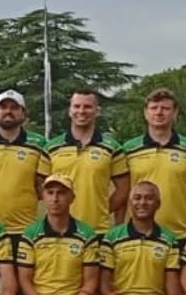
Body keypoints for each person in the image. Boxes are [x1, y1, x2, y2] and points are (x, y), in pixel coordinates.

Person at [122, 89, 186, 238]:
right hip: (137, 234)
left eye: (165, 108)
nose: (159, 113)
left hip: (180, 234)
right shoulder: (129, 149)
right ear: (146, 113)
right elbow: (123, 190)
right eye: (154, 108)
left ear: (175, 113)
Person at [46, 89, 129, 232]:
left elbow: (123, 189)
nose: (82, 111)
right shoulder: (51, 148)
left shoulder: (113, 148)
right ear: (69, 111)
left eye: (88, 107)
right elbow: (41, 186)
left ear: (97, 111)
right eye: (77, 106)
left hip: (97, 231)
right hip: (58, 231)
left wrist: (102, 210)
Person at [0, 90, 50, 232]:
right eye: (3, 107)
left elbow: (42, 185)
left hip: (26, 229)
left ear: (23, 113)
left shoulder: (39, 143)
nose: (8, 111)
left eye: (14, 108)